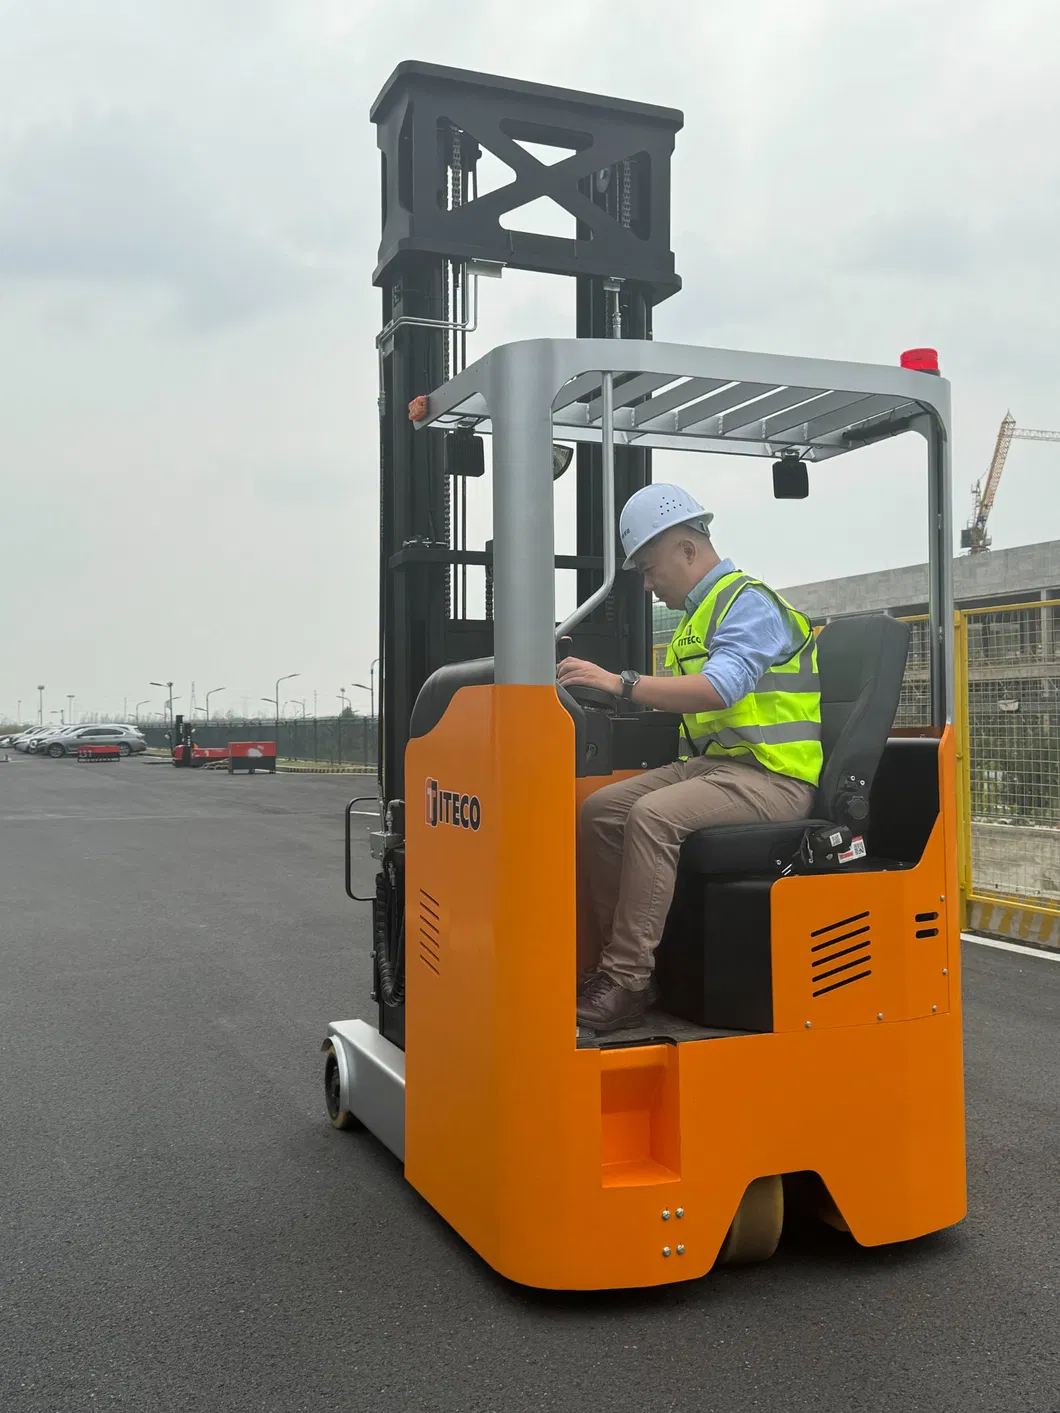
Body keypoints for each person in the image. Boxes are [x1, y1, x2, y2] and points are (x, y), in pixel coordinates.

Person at [557, 483, 822, 1032]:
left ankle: (626, 982)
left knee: (654, 817)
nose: (649, 585)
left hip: (773, 775)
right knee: (601, 811)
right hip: (716, 769)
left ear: (686, 547)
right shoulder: (693, 622)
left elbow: (719, 689)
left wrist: (620, 683)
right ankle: (623, 969)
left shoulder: (749, 602)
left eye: (651, 569)